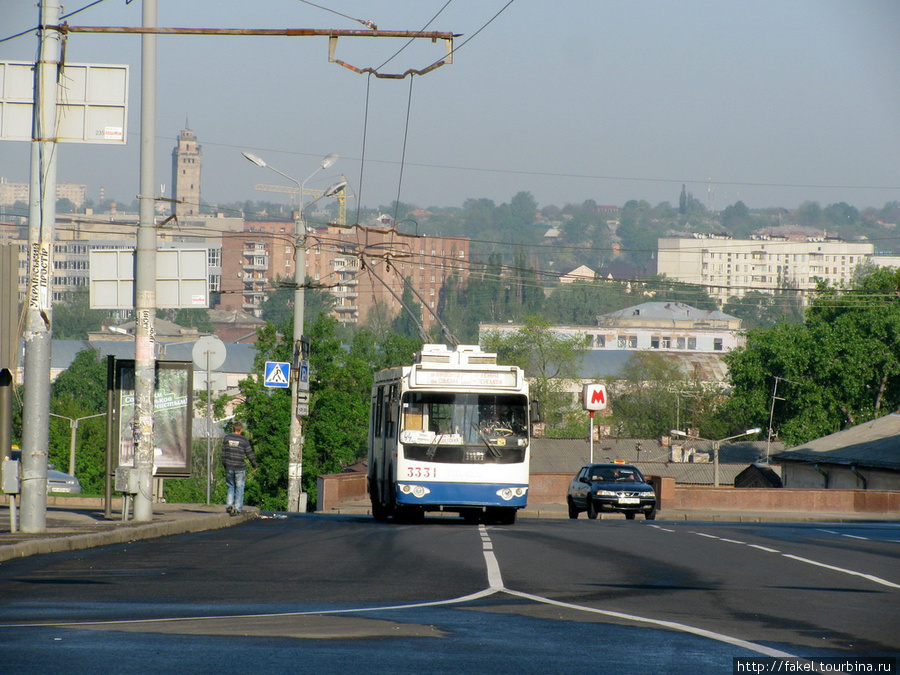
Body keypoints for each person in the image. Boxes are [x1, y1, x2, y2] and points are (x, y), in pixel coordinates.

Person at [222, 421, 257, 515]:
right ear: (240, 430)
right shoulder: (243, 440)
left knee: (230, 486)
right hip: (240, 467)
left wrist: (225, 464)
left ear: (233, 429)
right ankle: (237, 509)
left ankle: (229, 505)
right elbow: (249, 453)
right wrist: (254, 465)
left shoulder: (227, 438)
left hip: (229, 466)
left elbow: (223, 453)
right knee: (239, 487)